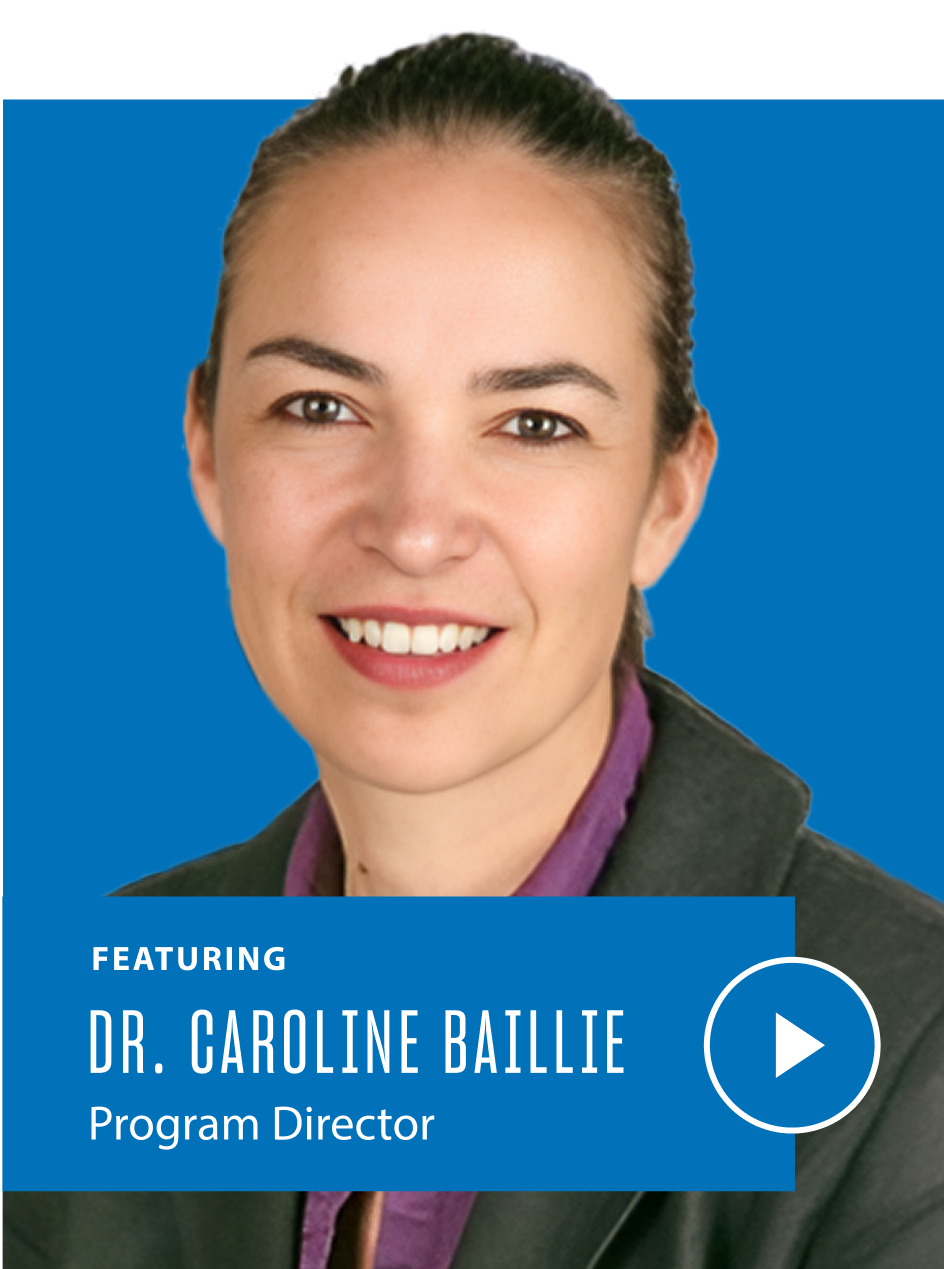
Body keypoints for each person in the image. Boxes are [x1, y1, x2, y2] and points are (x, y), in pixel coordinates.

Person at [4, 30, 943, 1269]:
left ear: (666, 496)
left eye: (534, 423)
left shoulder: (904, 1055)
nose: (414, 526)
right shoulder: (114, 1021)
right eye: (322, 408)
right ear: (207, 450)